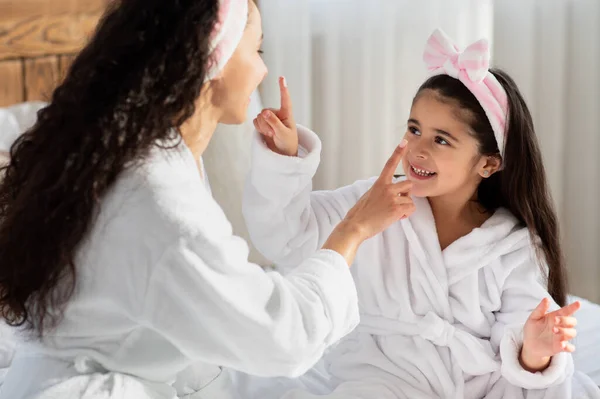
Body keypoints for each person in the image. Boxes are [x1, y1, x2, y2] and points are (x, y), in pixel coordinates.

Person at [0, 1, 415, 398]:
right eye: (257, 49)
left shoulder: (136, 154)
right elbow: (280, 337)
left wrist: (284, 160)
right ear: (210, 60)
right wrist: (352, 231)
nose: (263, 69)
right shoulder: (157, 203)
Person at [244, 29, 600, 398]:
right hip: (385, 374)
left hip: (477, 382)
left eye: (441, 139)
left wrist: (535, 352)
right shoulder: (376, 201)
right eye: (414, 129)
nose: (417, 149)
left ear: (488, 164)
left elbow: (521, 327)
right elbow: (286, 237)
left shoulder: (512, 246)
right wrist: (284, 161)